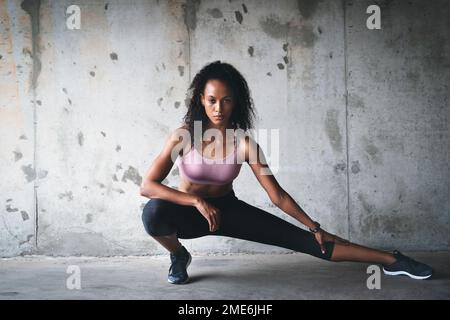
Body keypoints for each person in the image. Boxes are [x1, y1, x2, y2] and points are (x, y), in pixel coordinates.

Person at [139, 60, 433, 284]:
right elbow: (147, 185)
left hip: (227, 211)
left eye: (226, 100)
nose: (219, 108)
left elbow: (276, 194)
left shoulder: (245, 143)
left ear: (236, 102)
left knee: (309, 243)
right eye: (212, 100)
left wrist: (314, 227)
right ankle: (178, 255)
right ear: (201, 100)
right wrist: (195, 201)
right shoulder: (183, 136)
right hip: (187, 215)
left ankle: (391, 259)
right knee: (153, 213)